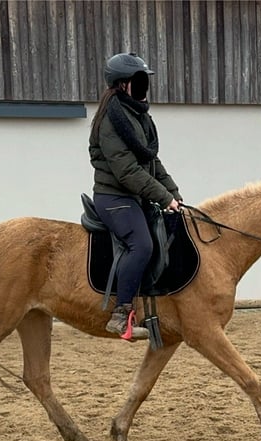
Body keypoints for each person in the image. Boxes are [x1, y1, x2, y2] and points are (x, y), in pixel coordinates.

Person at [89, 52, 183, 340]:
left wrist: (175, 194)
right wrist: (163, 197)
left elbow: (152, 163)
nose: (145, 89)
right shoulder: (111, 119)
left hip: (134, 195)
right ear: (123, 85)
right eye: (140, 82)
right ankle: (121, 312)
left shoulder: (138, 115)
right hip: (114, 197)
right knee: (141, 245)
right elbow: (127, 170)